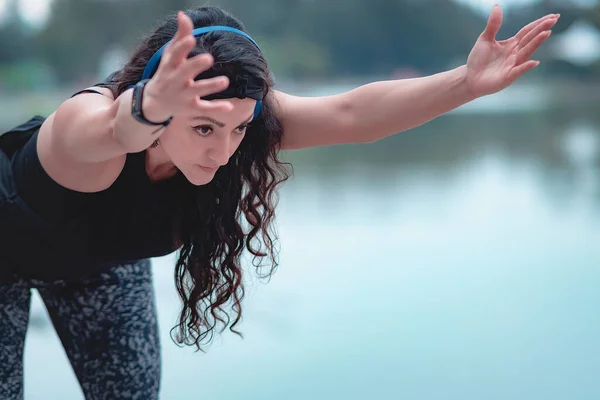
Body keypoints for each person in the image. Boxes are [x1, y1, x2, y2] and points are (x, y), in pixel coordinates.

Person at [0, 4, 558, 399]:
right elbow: (116, 131)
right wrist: (148, 108)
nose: (222, 152)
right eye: (202, 129)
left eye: (238, 129)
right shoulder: (88, 124)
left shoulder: (238, 121)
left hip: (99, 265)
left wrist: (465, 83)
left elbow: (352, 116)